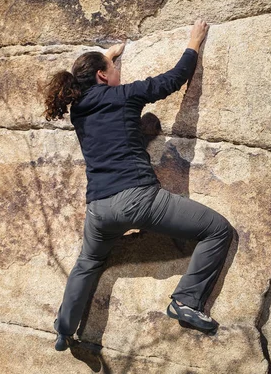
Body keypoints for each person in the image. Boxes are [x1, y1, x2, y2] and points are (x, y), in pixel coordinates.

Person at [43, 19, 233, 351]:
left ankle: (63, 328)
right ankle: (187, 301)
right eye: (112, 68)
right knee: (217, 229)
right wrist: (194, 42)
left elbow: (90, 80)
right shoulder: (124, 96)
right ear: (104, 76)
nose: (118, 72)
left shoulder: (79, 112)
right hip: (138, 199)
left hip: (99, 210)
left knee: (87, 263)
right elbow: (174, 79)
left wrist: (106, 55)